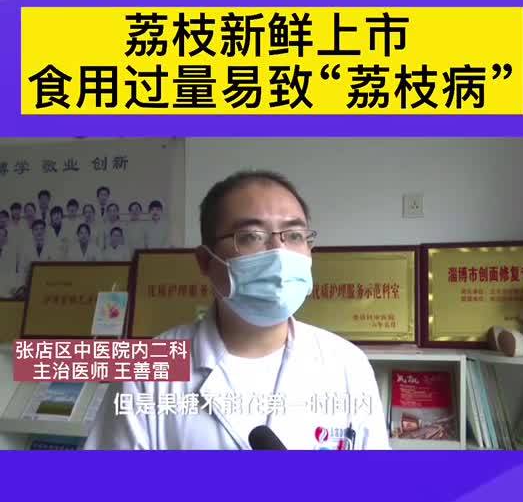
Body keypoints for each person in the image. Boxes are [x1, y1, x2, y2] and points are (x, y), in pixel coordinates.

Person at [86, 170, 391, 451]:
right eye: (251, 237)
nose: (279, 253)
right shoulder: (146, 372)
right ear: (206, 261)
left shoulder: (347, 364)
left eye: (294, 235)